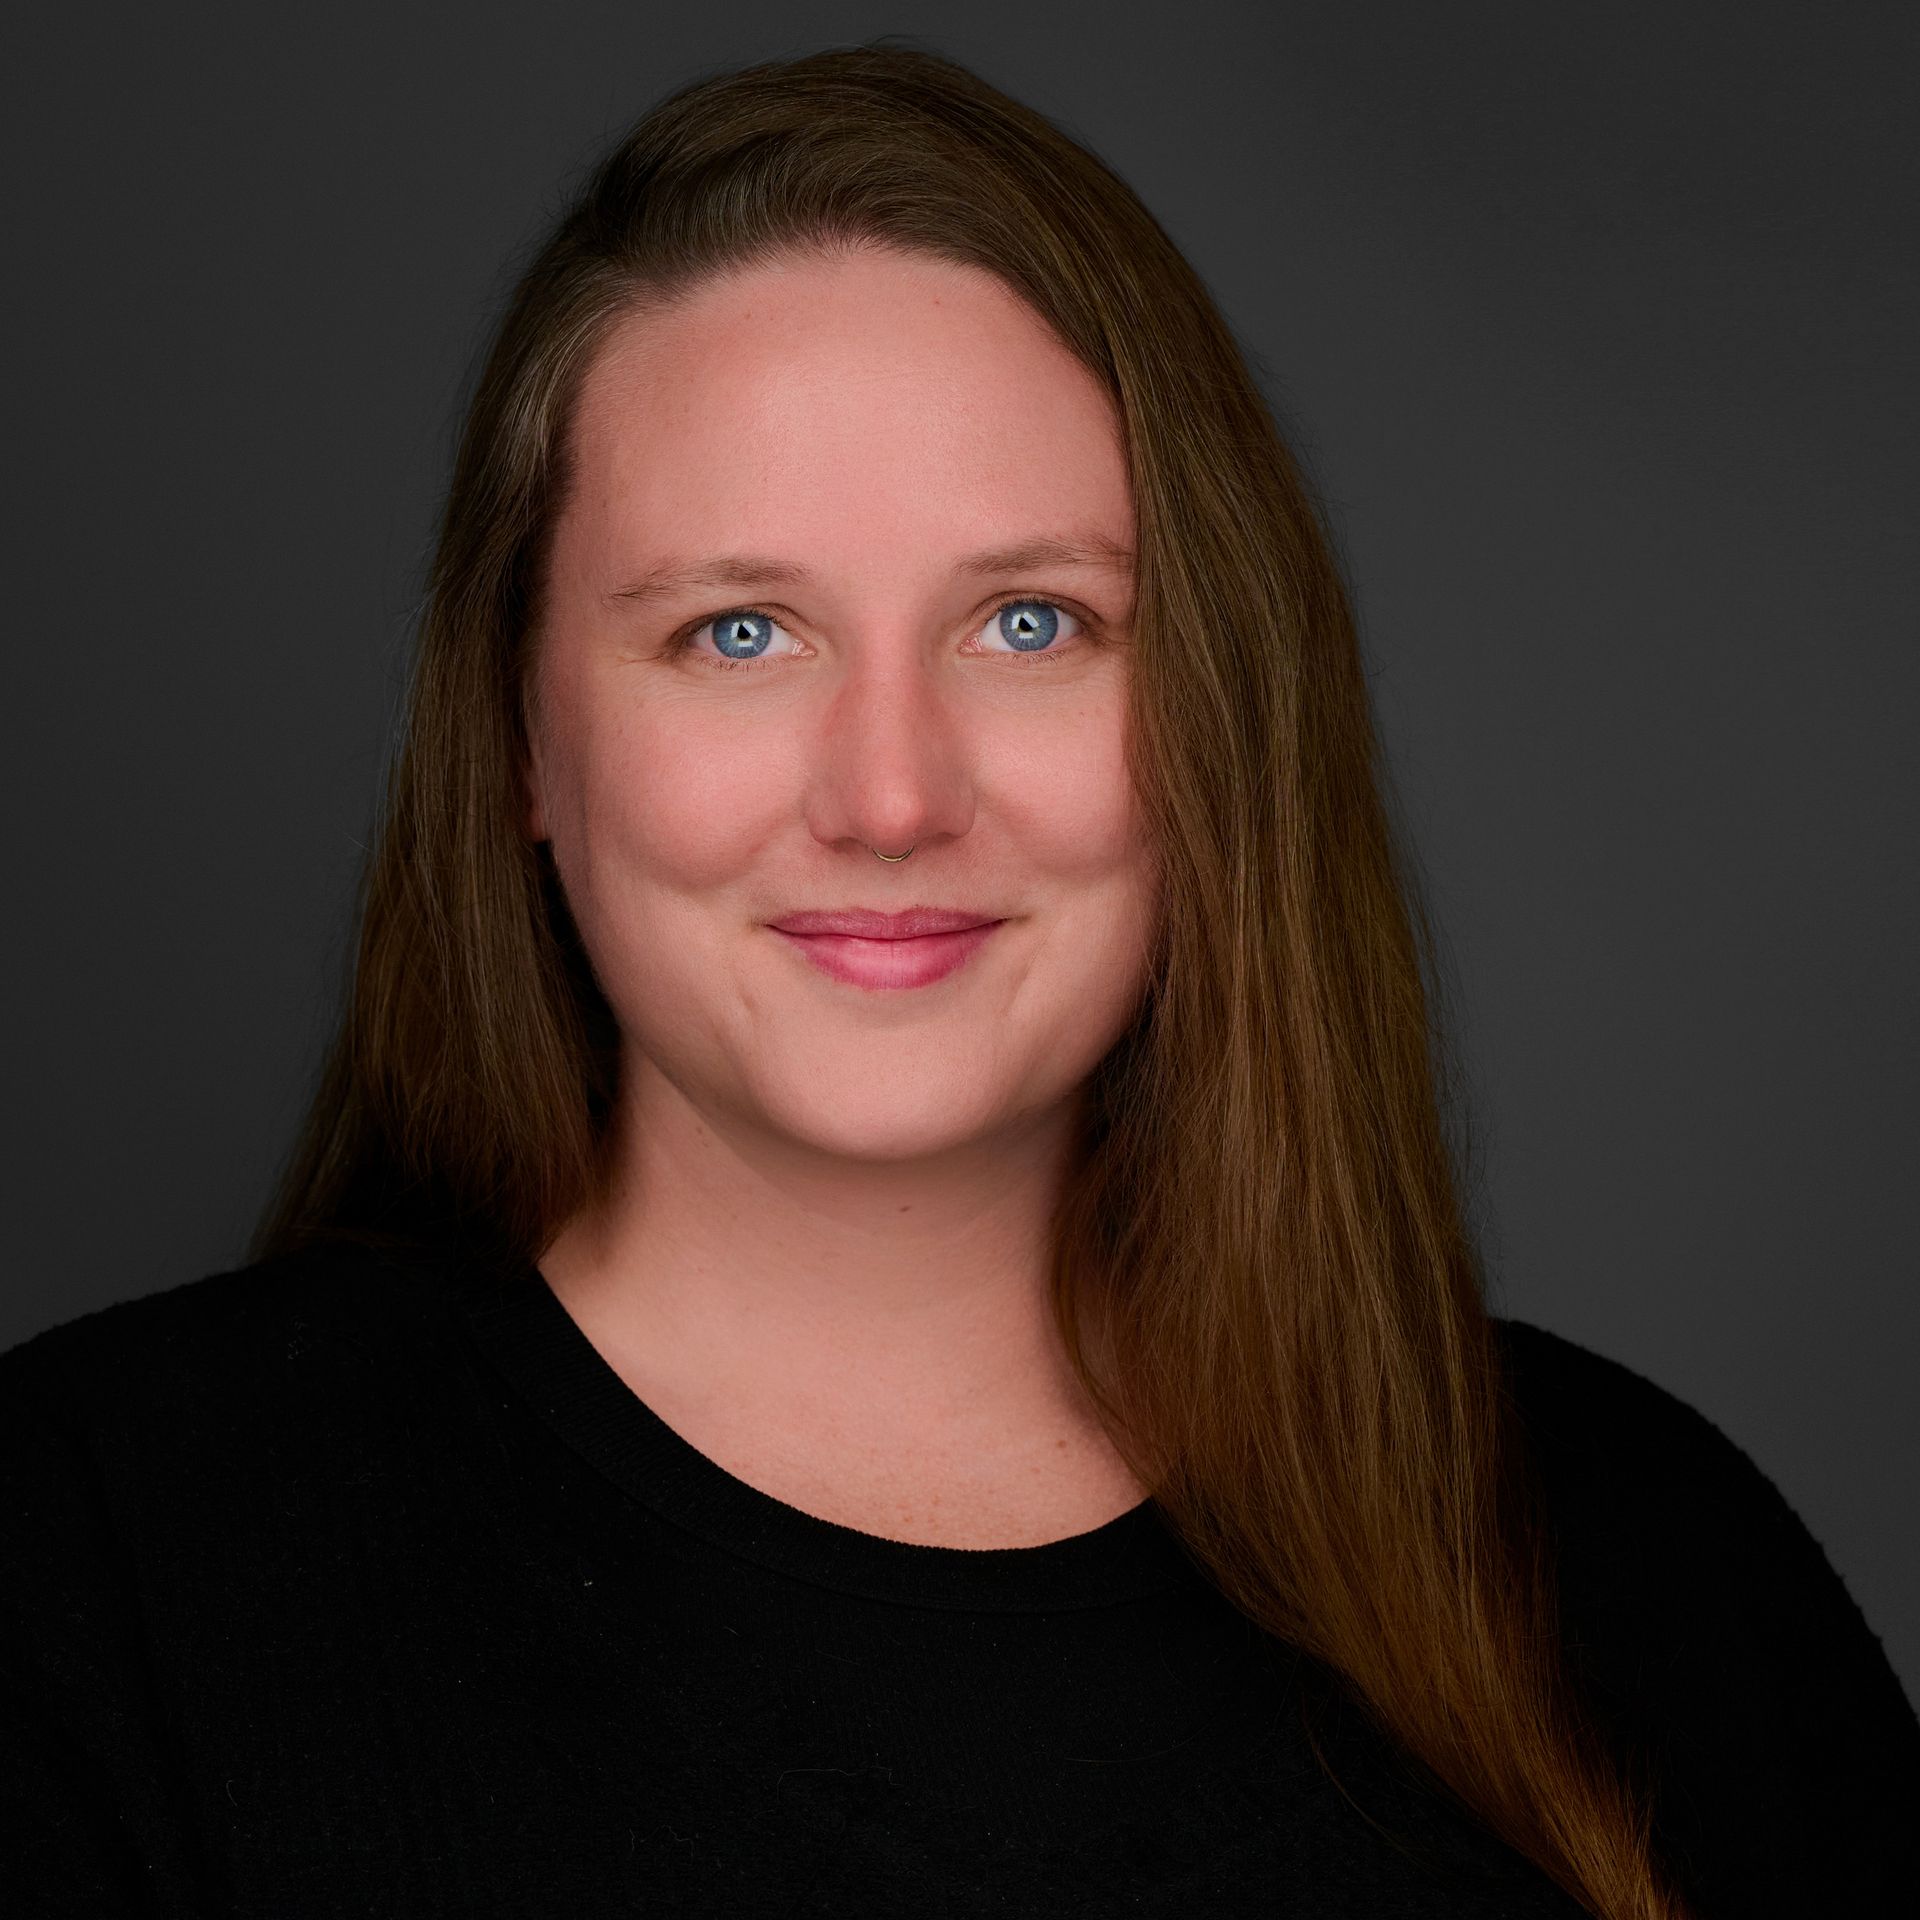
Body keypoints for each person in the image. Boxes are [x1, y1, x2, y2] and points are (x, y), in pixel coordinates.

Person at [3, 40, 1914, 1919]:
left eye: (1030, 622)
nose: (894, 796)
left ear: (1220, 718)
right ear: (520, 735)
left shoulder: (1650, 1573)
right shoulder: (98, 1570)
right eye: (738, 632)